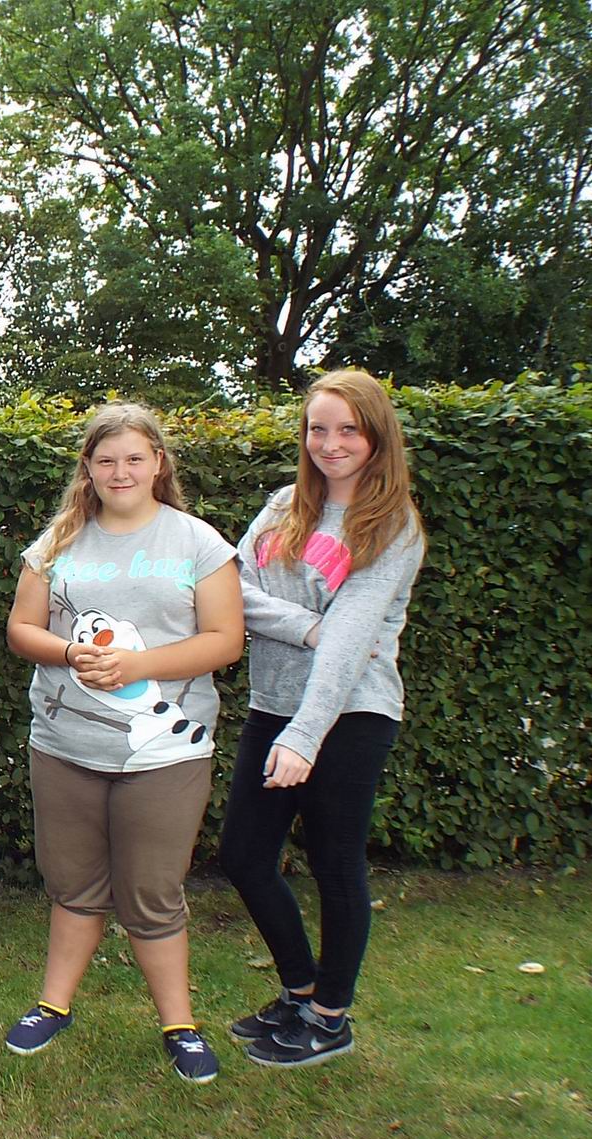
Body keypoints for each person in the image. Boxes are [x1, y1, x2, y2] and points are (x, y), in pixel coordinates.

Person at [1, 403, 243, 1084]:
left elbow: (225, 639)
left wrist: (138, 665)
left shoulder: (198, 543)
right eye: (105, 460)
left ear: (158, 463)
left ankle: (179, 1025)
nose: (120, 471)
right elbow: (21, 629)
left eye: (135, 458)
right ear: (88, 467)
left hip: (165, 754)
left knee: (151, 892)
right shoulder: (58, 541)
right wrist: (70, 652)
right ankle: (53, 1005)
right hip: (64, 746)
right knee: (73, 885)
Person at [220, 369, 424, 1067]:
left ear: (376, 436)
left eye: (347, 430)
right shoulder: (284, 504)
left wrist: (306, 734)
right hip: (273, 702)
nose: (330, 443)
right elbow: (231, 588)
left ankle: (330, 1016)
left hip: (353, 709)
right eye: (317, 429)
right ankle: (299, 989)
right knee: (244, 856)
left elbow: (351, 637)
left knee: (335, 863)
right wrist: (308, 625)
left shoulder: (392, 525)